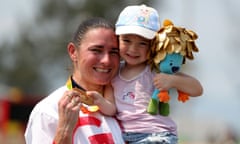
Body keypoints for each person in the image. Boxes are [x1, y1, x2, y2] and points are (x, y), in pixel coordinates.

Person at [107, 4, 203, 144]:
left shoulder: (154, 70)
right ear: (117, 39)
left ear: (154, 45)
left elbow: (197, 89)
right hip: (127, 138)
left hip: (157, 135)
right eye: (126, 40)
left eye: (143, 43)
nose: (133, 49)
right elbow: (111, 108)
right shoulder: (114, 72)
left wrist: (173, 80)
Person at [24, 17, 125, 144]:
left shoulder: (127, 103)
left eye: (114, 52)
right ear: (73, 52)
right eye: (96, 50)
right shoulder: (49, 111)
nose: (106, 60)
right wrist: (64, 131)